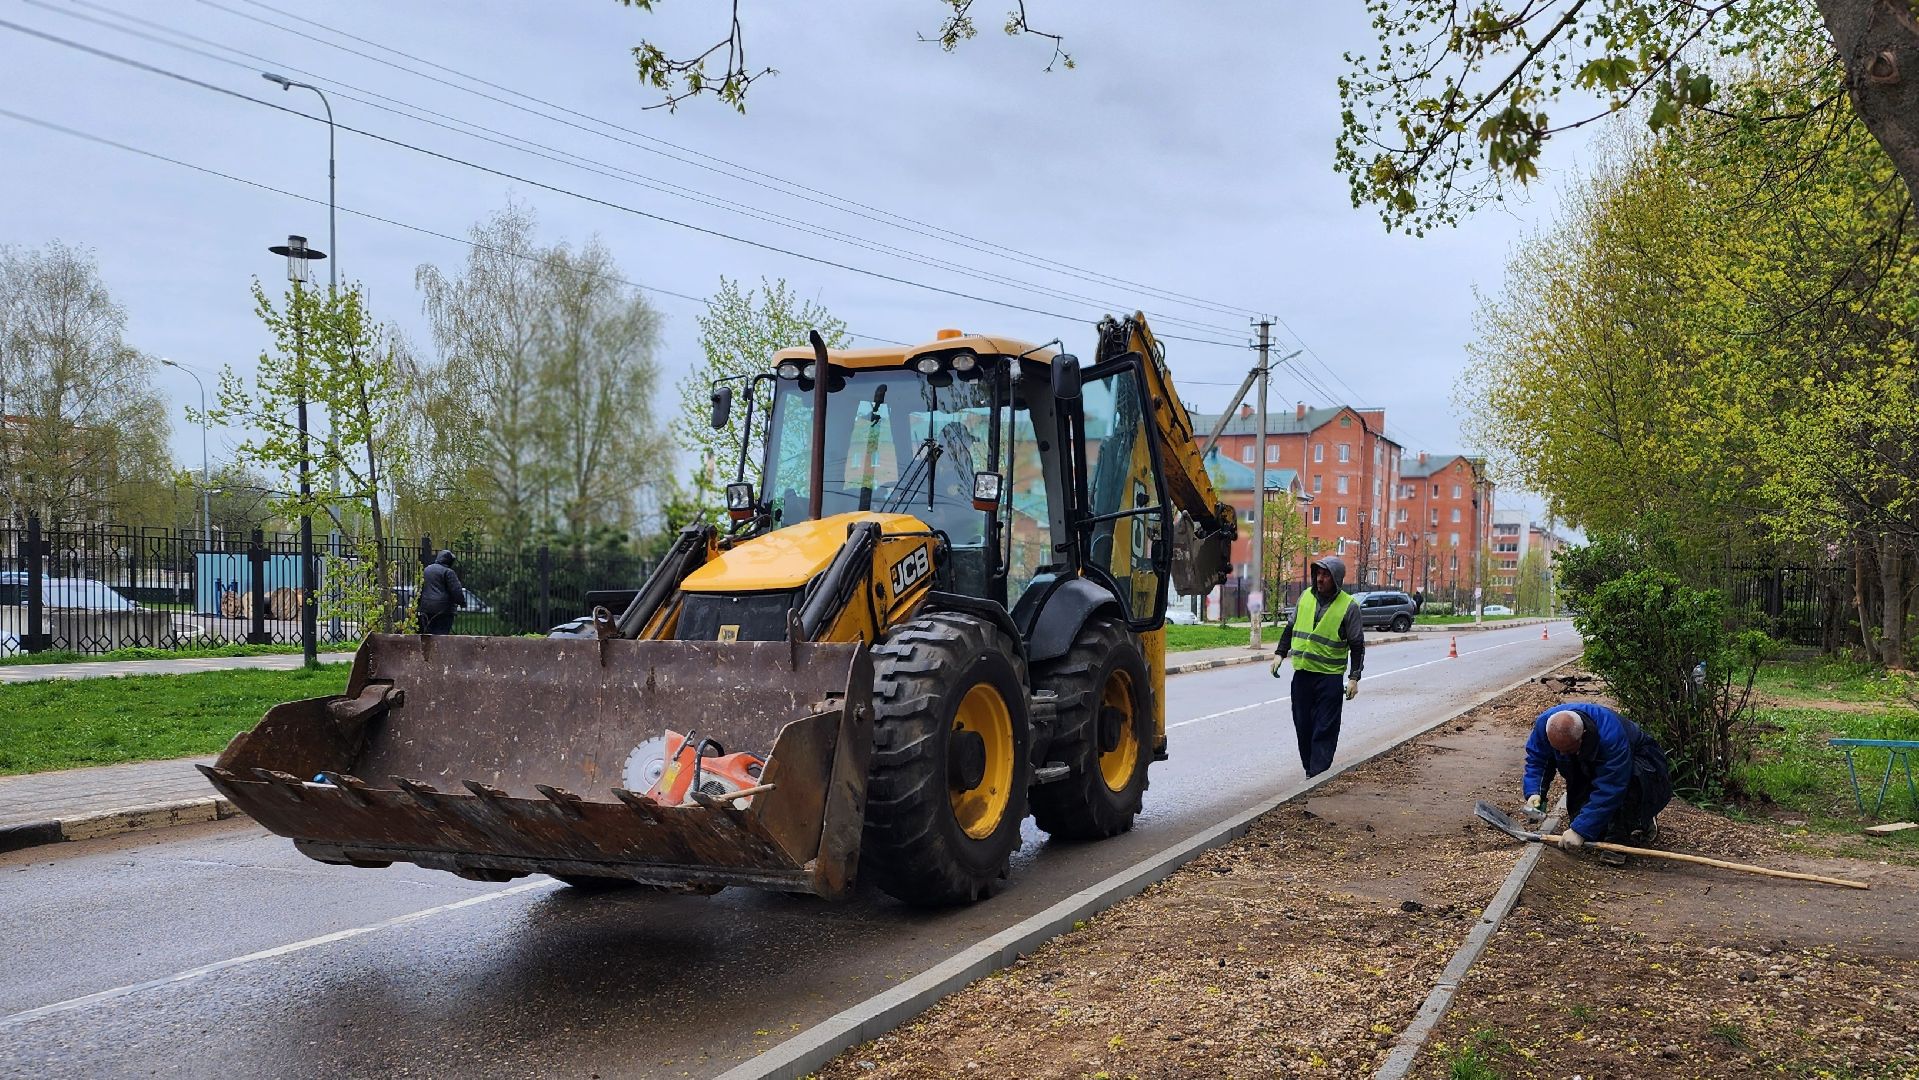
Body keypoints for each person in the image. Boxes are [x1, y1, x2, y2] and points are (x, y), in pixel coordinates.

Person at [1523, 704, 1673, 865]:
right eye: (1558, 750)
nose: (1561, 754)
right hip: (1588, 755)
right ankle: (1605, 827)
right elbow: (1538, 759)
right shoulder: (1545, 726)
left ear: (1583, 735)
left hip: (1641, 764)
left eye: (1566, 749)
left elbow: (1611, 788)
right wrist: (1535, 792)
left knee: (1627, 792)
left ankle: (1622, 837)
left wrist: (1580, 830)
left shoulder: (1611, 736)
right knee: (1590, 827)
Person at [1268, 556, 1365, 777]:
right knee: (1303, 726)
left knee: (1324, 728)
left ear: (1337, 579)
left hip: (1329, 678)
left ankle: (1316, 774)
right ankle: (1309, 769)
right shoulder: (1305, 597)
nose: (1320, 579)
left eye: (1326, 575)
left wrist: (1354, 677)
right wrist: (1279, 653)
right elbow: (1290, 627)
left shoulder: (1349, 606)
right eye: (1318, 574)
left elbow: (1357, 644)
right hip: (1302, 675)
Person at [418, 549, 466, 635]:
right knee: (441, 635)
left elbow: (421, 588)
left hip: (426, 608)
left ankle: (429, 649)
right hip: (444, 610)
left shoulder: (426, 570)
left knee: (428, 634)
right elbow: (456, 590)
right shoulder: (448, 572)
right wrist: (462, 602)